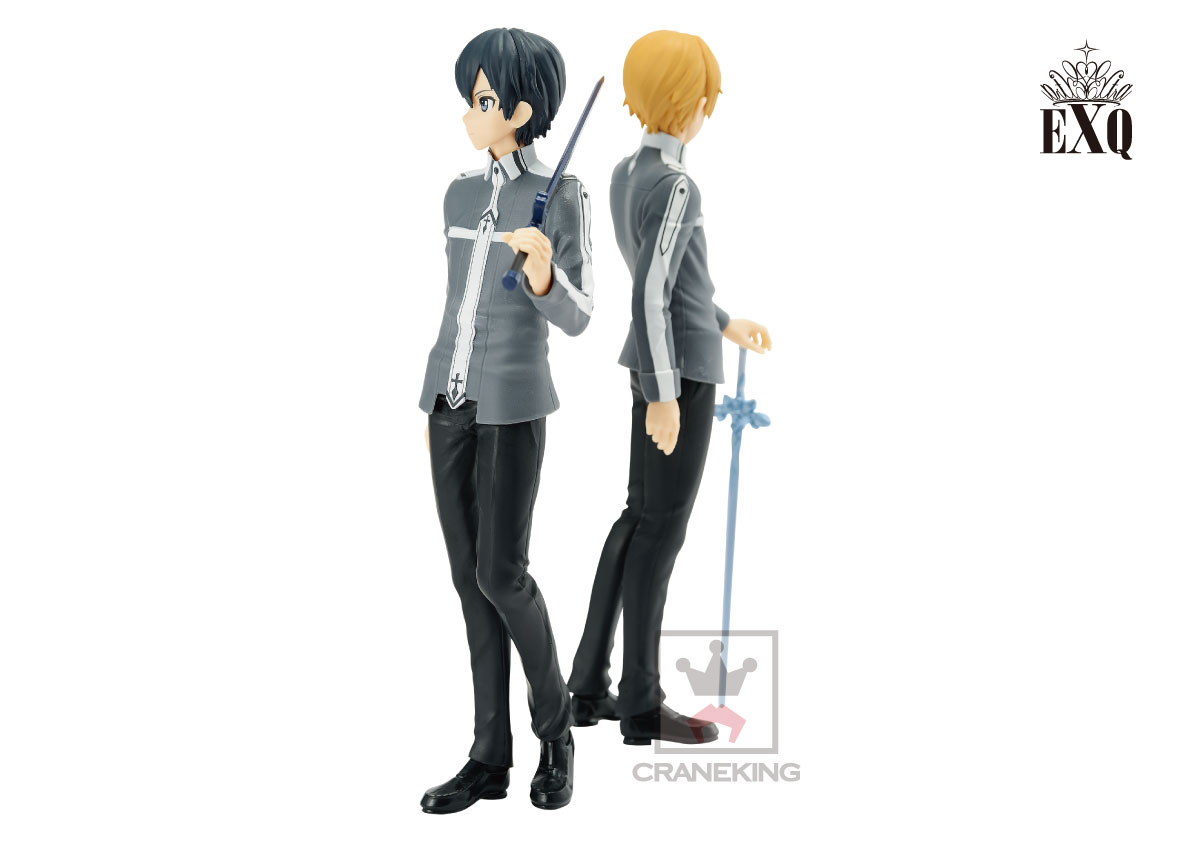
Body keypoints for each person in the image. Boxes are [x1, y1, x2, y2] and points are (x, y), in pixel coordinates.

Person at [567, 30, 772, 746]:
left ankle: (587, 684)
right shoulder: (677, 184)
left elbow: (672, 281)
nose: (706, 110)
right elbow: (652, 290)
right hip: (676, 373)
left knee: (637, 519)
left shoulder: (627, 172)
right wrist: (662, 394)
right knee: (661, 531)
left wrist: (723, 320)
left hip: (663, 358)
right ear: (688, 102)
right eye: (704, 97)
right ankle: (639, 701)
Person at [418, 28, 593, 813]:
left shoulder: (561, 194)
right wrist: (434, 399)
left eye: (483, 99)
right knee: (468, 583)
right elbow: (454, 306)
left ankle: (555, 731)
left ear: (520, 109)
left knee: (501, 575)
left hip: (512, 408)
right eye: (469, 98)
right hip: (447, 403)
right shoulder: (458, 195)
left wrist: (544, 273)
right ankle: (488, 757)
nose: (470, 112)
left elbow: (580, 315)